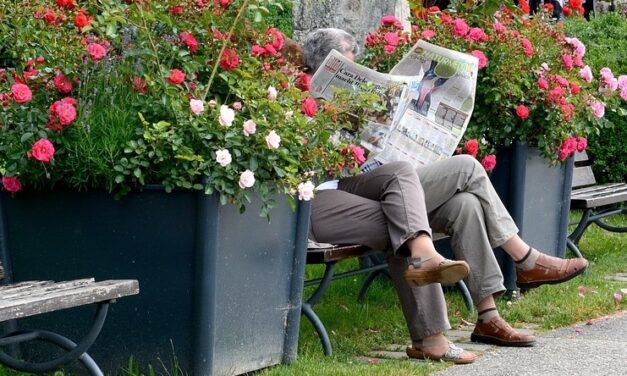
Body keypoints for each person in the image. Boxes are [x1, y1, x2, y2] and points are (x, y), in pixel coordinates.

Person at [303, 28, 589, 360]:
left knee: (463, 204)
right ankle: (523, 260)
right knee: (464, 169)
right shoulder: (298, 96)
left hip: (372, 182)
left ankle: (488, 317)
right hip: (334, 193)